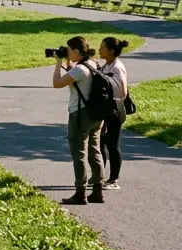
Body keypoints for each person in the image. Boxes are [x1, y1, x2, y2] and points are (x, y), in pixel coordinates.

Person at [51, 36, 105, 205]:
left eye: (68, 50)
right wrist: (68, 62)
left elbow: (57, 83)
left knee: (78, 153)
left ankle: (80, 192)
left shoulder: (80, 69)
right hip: (97, 114)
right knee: (94, 151)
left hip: (80, 114)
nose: (66, 52)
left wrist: (58, 63)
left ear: (76, 51)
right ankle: (97, 191)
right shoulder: (93, 63)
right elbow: (77, 77)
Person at [98, 36, 131, 190]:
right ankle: (100, 176)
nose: (100, 49)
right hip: (105, 109)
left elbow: (123, 91)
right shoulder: (106, 65)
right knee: (101, 142)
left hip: (115, 110)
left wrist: (110, 97)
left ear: (111, 51)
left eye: (103, 47)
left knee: (112, 144)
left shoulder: (117, 67)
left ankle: (113, 180)